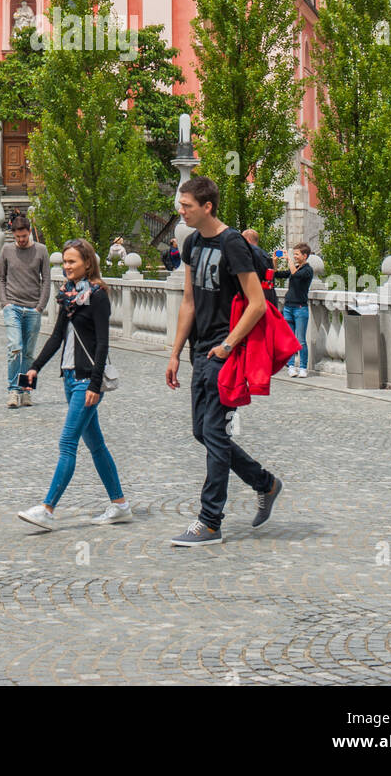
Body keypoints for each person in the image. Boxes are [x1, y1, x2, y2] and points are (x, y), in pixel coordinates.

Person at [166, 176, 281, 546]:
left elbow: (257, 304)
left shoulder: (232, 243)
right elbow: (188, 302)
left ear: (207, 207)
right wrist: (175, 352)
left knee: (214, 432)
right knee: (203, 431)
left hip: (224, 351)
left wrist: (228, 345)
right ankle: (264, 482)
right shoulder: (192, 243)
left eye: (186, 206)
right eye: (180, 205)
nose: (180, 211)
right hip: (200, 350)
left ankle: (210, 521)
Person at [18, 238, 130, 530]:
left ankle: (47, 509)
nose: (66, 266)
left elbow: (103, 343)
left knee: (67, 442)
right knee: (96, 445)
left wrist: (95, 385)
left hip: (86, 381)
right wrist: (35, 367)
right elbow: (56, 337)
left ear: (87, 263)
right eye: (65, 261)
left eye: (72, 262)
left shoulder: (98, 295)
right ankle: (120, 505)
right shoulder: (67, 294)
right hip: (69, 378)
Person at [0, 216, 50, 408]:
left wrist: (40, 306)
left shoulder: (41, 250)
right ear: (13, 234)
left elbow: (46, 279)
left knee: (28, 353)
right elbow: (1, 278)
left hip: (33, 308)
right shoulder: (7, 250)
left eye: (24, 236)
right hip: (12, 305)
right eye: (18, 236)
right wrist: (4, 303)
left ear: (29, 232)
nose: (21, 240)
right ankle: (13, 390)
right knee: (15, 347)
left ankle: (26, 390)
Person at [273, 243, 314, 377]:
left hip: (300, 308)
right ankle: (291, 366)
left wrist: (289, 260)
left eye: (296, 254)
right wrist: (275, 261)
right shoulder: (295, 268)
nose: (294, 257)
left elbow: (295, 276)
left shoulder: (308, 270)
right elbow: (277, 275)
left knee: (301, 340)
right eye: (294, 254)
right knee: (290, 339)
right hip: (288, 307)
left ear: (305, 256)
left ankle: (303, 367)